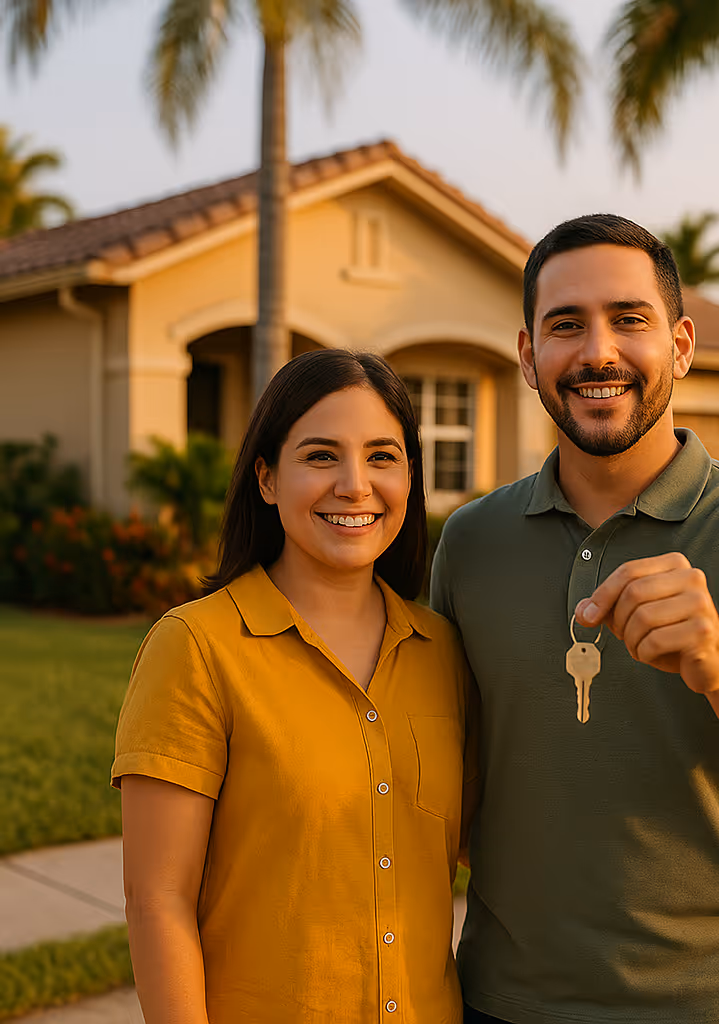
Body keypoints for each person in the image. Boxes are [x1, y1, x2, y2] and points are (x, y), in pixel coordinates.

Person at [431, 213, 719, 1024]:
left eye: (629, 320)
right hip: (500, 1001)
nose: (598, 351)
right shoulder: (469, 541)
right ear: (528, 357)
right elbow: (446, 772)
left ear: (680, 344)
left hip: (709, 1006)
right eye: (566, 325)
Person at [112, 349, 476, 1023]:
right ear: (267, 478)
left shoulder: (444, 652)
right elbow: (157, 900)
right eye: (320, 456)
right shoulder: (195, 647)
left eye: (382, 456)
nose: (354, 484)